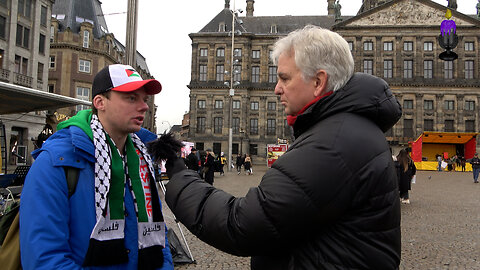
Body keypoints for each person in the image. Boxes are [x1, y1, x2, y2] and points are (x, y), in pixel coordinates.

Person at [160, 25, 402, 269]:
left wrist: (181, 178)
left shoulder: (333, 145)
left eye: (285, 78)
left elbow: (244, 225)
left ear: (318, 81)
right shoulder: (347, 129)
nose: (276, 88)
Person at [19, 64, 173, 269]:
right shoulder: (55, 162)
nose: (144, 106)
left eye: (144, 99)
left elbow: (159, 237)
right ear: (100, 102)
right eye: (131, 98)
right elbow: (44, 258)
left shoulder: (142, 160)